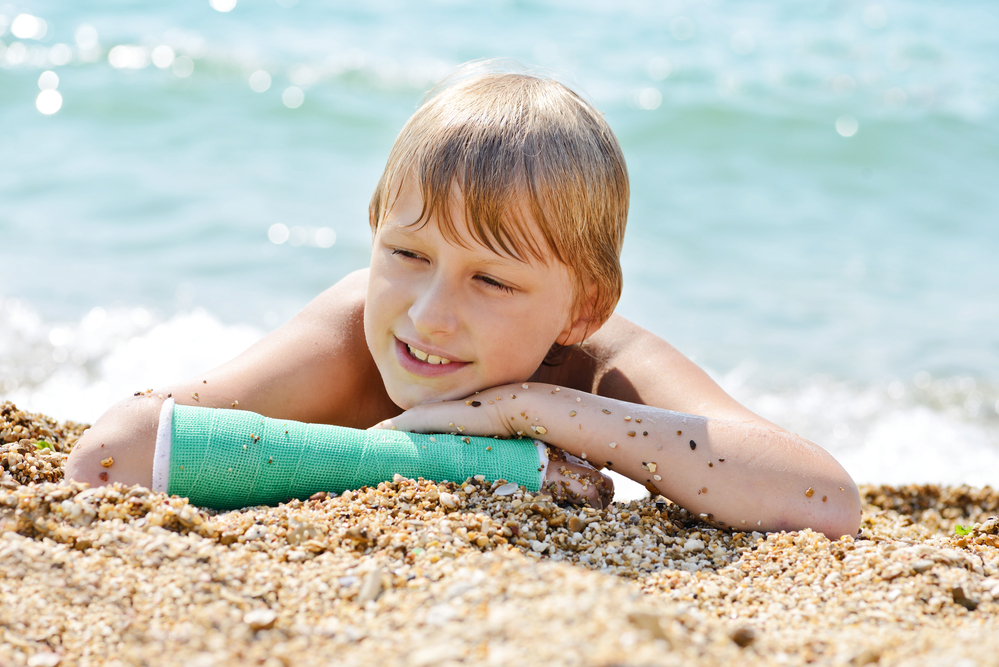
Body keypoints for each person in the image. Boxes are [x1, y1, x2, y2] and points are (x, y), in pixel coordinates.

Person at [66, 63, 861, 538]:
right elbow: (113, 451)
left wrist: (529, 408)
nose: (429, 314)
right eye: (407, 255)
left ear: (581, 308)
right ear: (374, 233)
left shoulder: (599, 361)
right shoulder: (350, 332)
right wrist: (450, 460)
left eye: (492, 279)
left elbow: (824, 499)